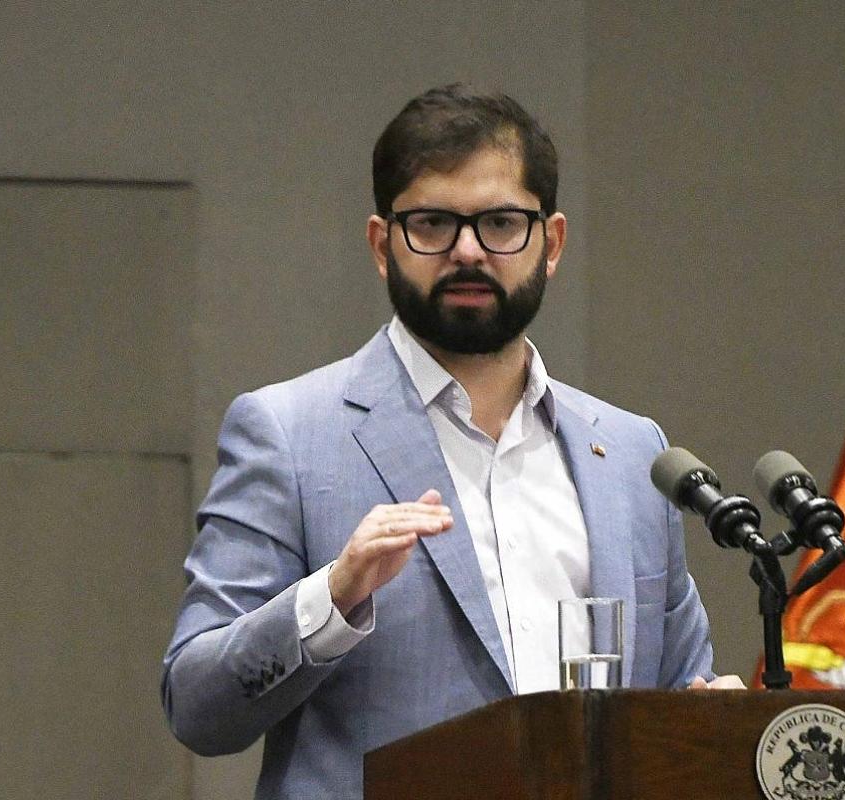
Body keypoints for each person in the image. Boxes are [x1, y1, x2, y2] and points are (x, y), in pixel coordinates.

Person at [161, 84, 740, 800]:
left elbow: (679, 694)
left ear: (552, 243)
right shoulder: (288, 434)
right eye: (433, 223)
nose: (468, 251)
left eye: (500, 223)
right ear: (383, 245)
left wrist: (708, 721)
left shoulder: (630, 454)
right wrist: (331, 600)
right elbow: (197, 706)